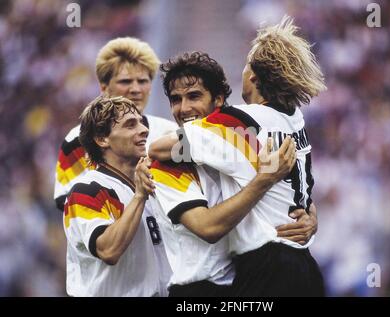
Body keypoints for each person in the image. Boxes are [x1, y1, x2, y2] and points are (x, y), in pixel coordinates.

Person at [152, 16, 326, 296]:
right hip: (305, 266)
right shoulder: (296, 119)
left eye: (247, 65)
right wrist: (310, 216)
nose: (184, 108)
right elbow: (300, 189)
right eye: (176, 100)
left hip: (266, 268)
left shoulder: (239, 122)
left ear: (255, 77)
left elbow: (158, 148)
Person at [64, 96, 171, 296]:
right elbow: (108, 250)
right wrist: (139, 197)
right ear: (102, 139)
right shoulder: (87, 190)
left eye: (141, 122)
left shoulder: (154, 182)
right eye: (131, 125)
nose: (144, 129)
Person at [54, 37, 177, 211]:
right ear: (104, 88)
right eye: (125, 81)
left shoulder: (170, 132)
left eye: (142, 81)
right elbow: (66, 202)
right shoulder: (79, 138)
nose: (135, 89)